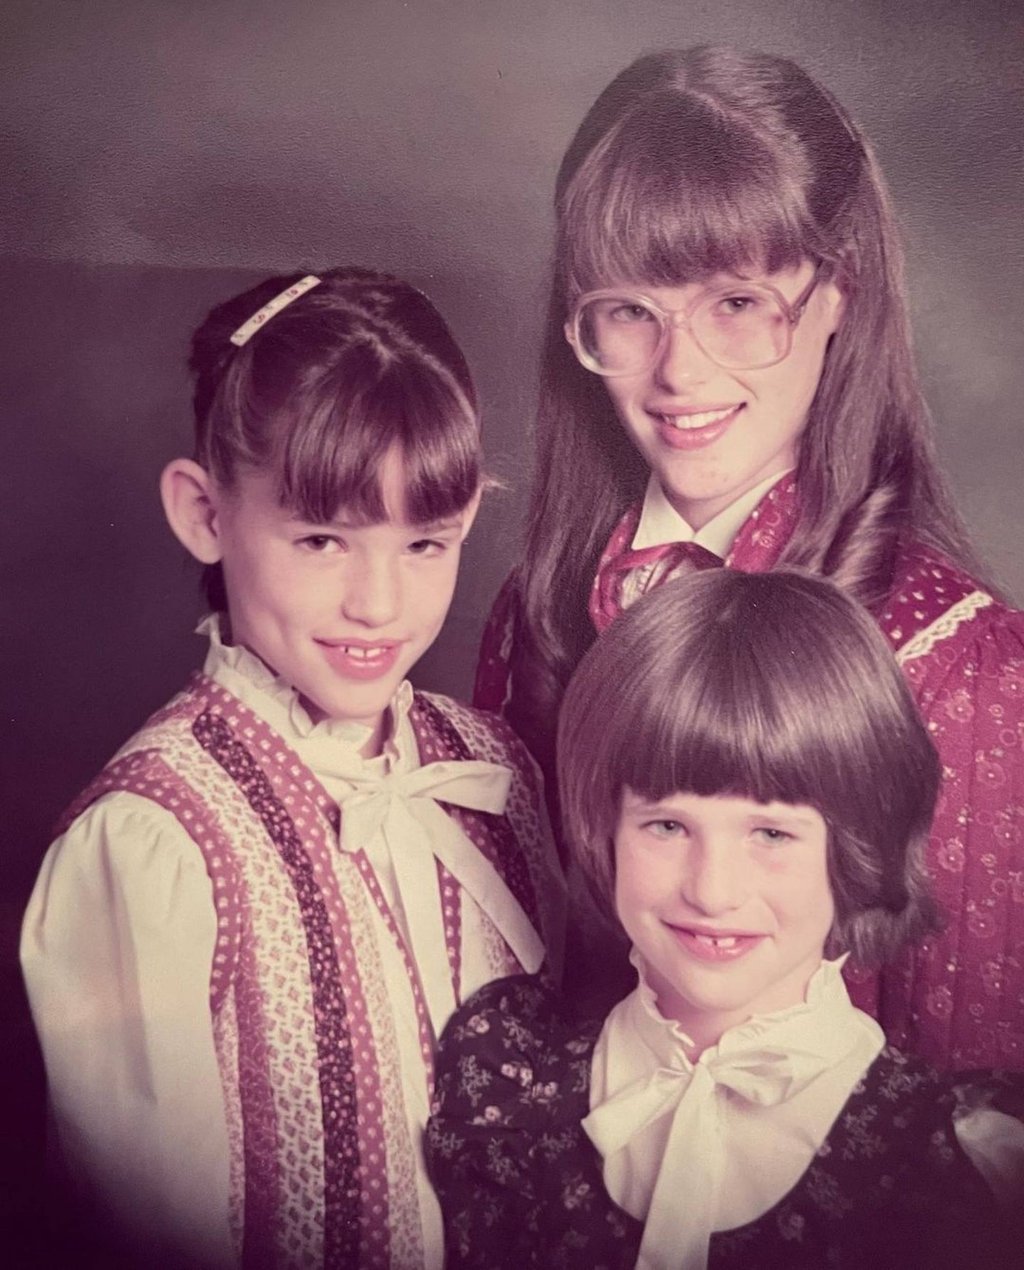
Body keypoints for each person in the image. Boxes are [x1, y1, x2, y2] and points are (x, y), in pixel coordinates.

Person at [474, 44, 1024, 1070]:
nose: (682, 371)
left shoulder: (963, 666)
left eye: (736, 302)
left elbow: (973, 1115)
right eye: (631, 312)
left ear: (835, 297)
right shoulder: (531, 614)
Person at [20, 267, 564, 1269]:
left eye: (425, 542)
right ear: (204, 513)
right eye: (322, 538)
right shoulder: (151, 844)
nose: (379, 603)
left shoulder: (494, 772)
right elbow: (152, 1239)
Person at [430, 569, 1024, 1270]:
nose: (713, 892)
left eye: (771, 834)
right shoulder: (502, 1082)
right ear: (605, 828)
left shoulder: (960, 1170)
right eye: (667, 825)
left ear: (858, 842)